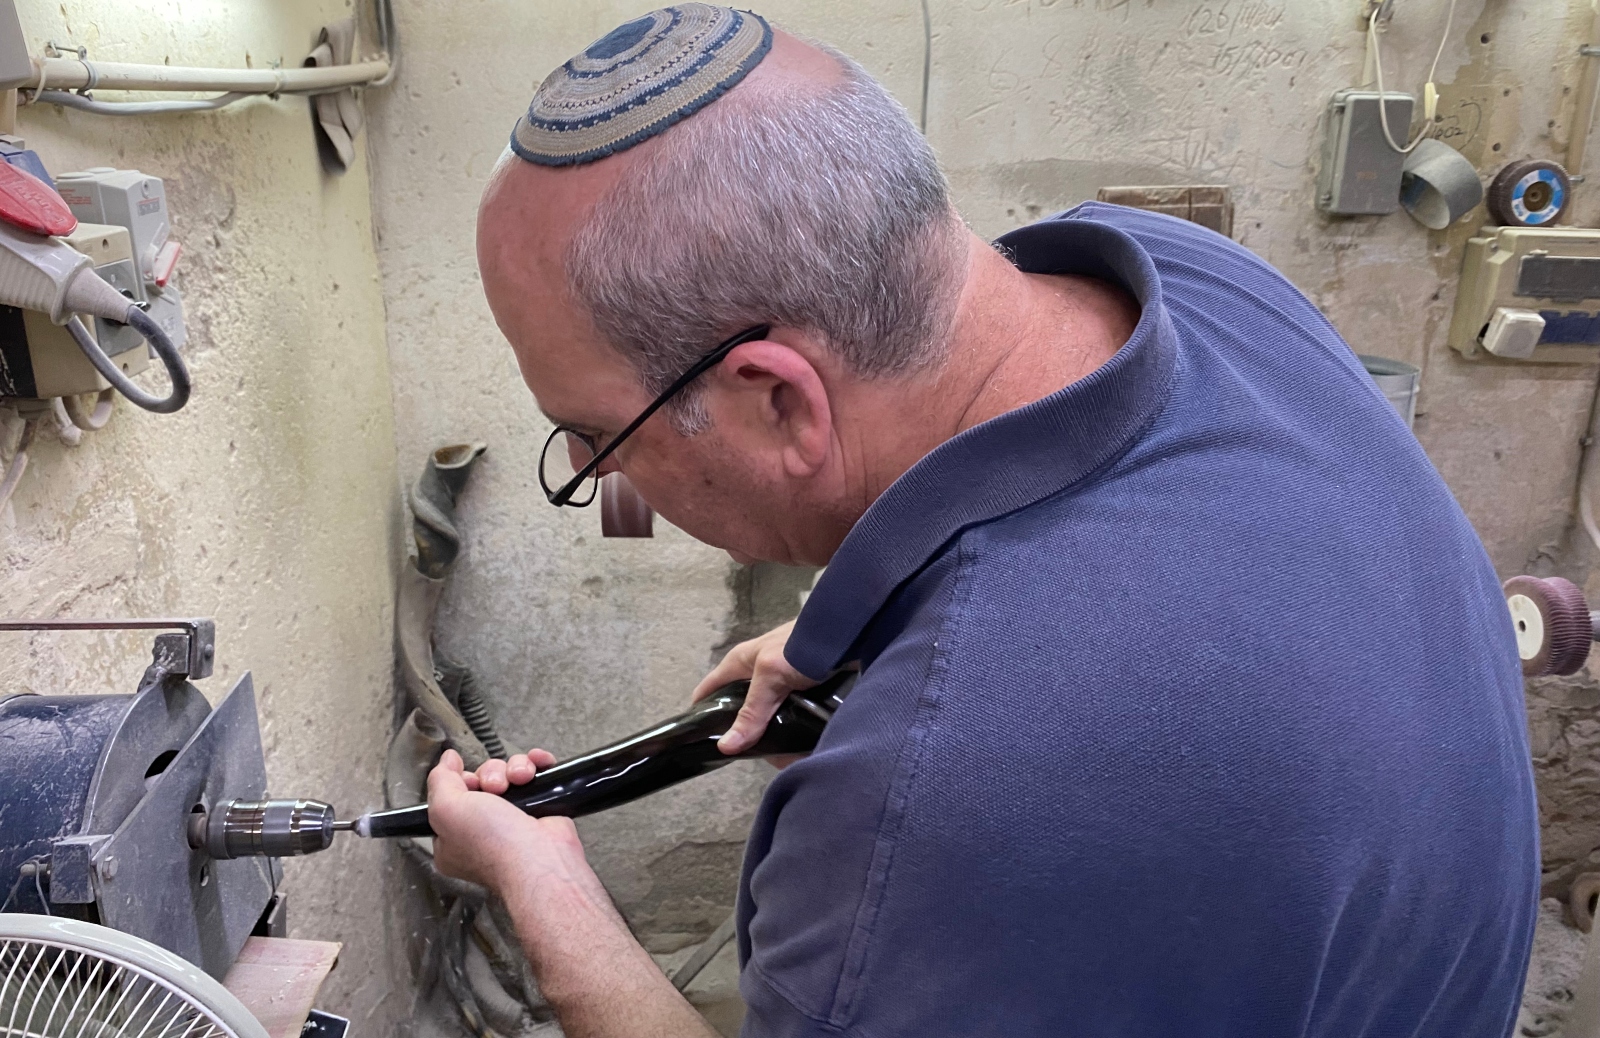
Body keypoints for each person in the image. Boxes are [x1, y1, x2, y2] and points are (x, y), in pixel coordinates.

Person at [426, 5, 1539, 1036]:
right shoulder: (1197, 284)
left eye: (595, 436)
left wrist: (547, 890)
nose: (584, 464)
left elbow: (1039, 750)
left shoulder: (946, 821)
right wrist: (896, 640)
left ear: (776, 400)